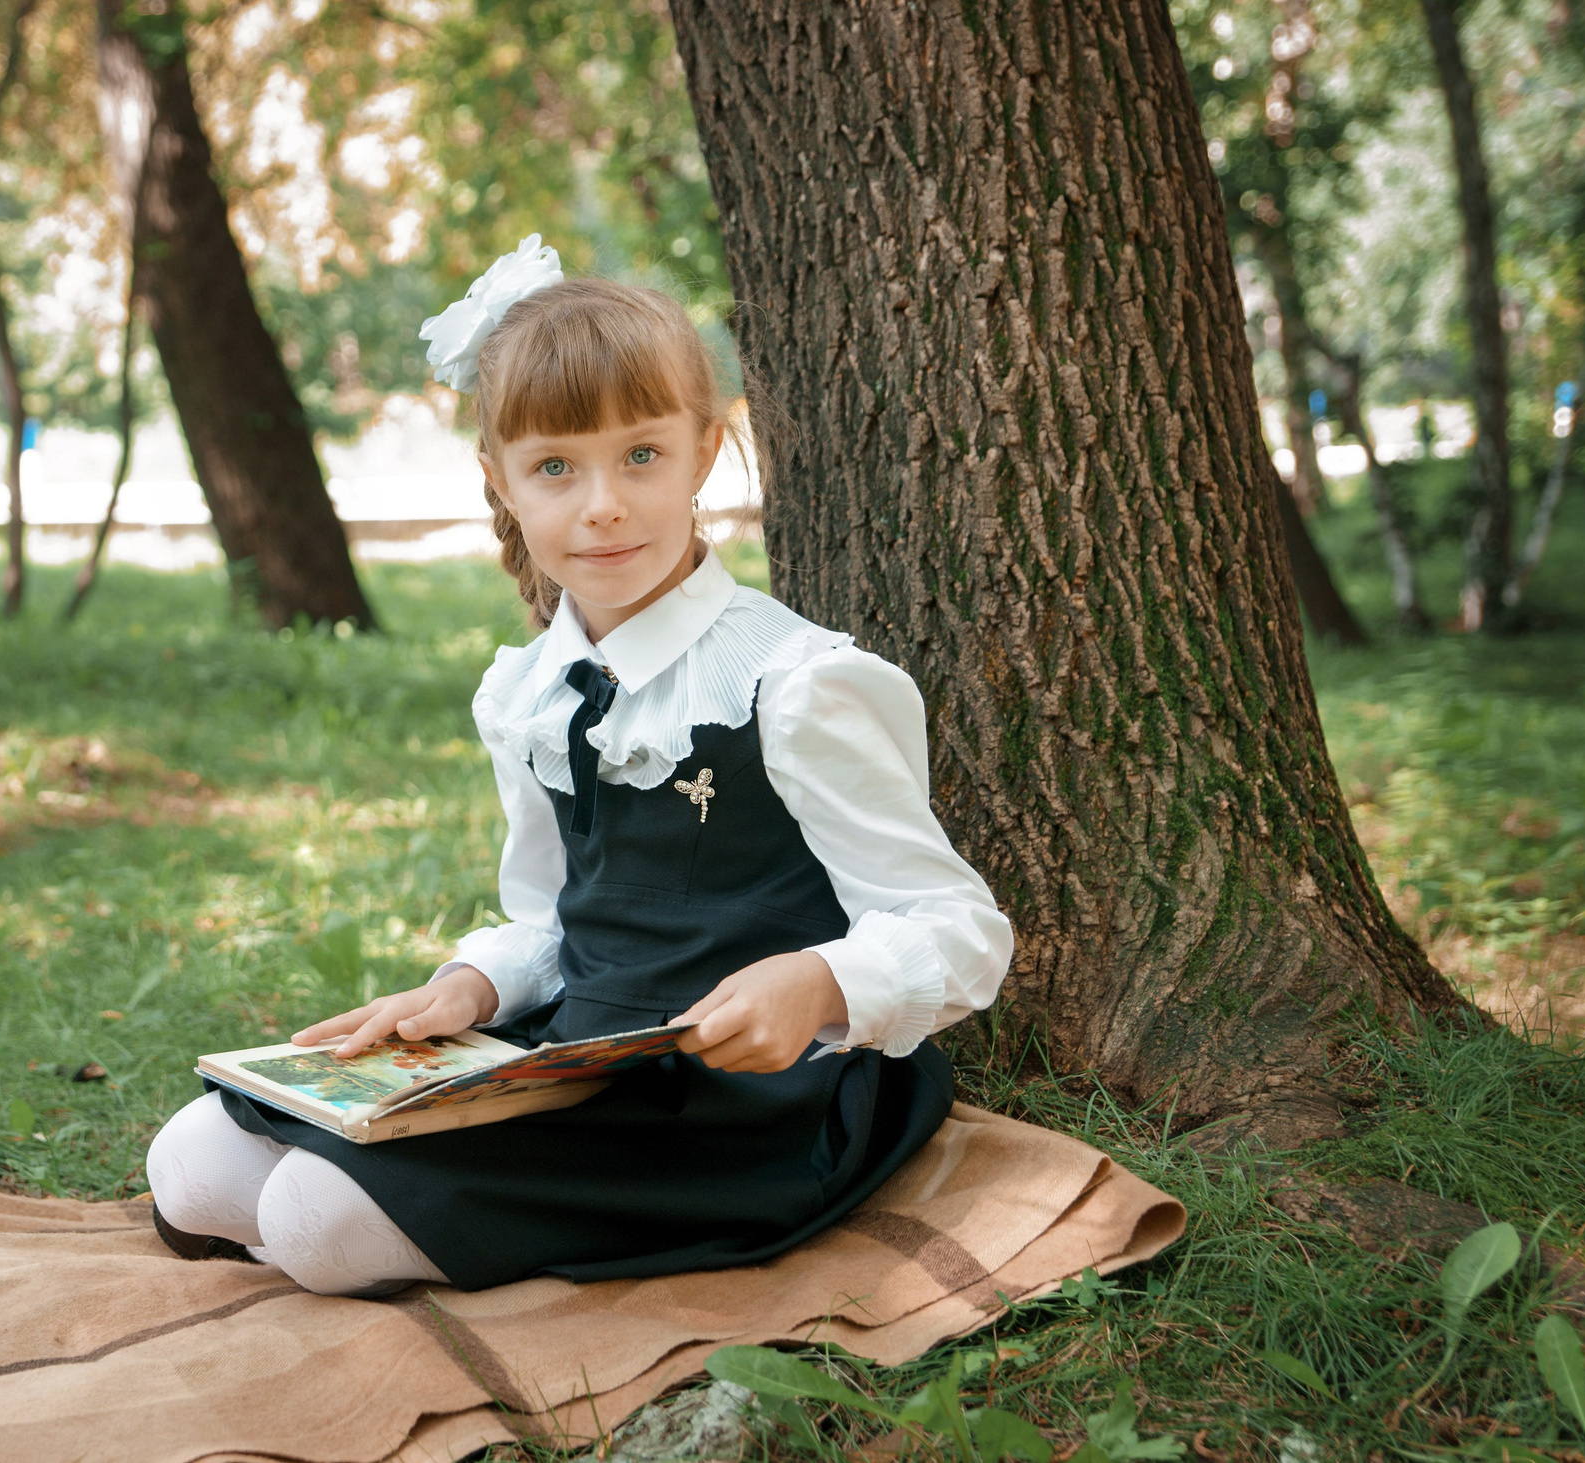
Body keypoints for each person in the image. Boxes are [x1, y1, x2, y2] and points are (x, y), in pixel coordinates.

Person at [143, 237, 1014, 1297]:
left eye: (639, 456)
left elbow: (962, 932)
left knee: (309, 1219)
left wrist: (822, 975)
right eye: (555, 466)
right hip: (583, 1054)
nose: (601, 504)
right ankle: (421, 1205)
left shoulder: (794, 685)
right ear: (499, 481)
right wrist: (464, 985)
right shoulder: (531, 692)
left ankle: (398, 1221)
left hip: (757, 1101)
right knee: (188, 1160)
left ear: (704, 450)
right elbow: (550, 920)